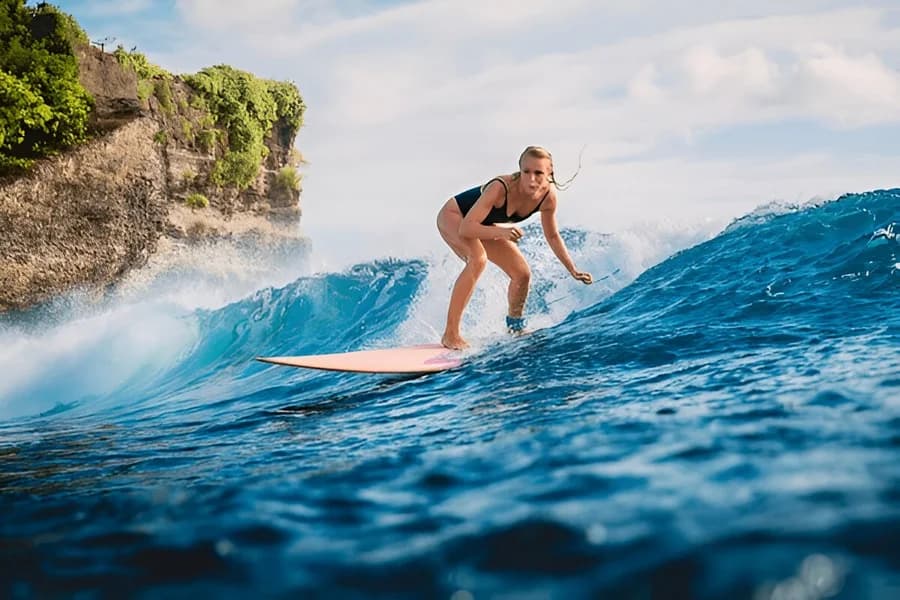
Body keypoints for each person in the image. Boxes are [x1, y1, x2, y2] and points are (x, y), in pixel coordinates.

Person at [436, 145, 593, 350]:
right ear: (520, 170)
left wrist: (572, 269)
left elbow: (553, 236)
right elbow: (466, 228)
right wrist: (502, 233)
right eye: (526, 172)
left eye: (538, 173)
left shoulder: (548, 197)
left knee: (522, 273)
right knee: (478, 259)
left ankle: (515, 328)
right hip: (454, 217)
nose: (531, 179)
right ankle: (451, 334)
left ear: (549, 173)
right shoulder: (500, 188)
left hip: (480, 224)